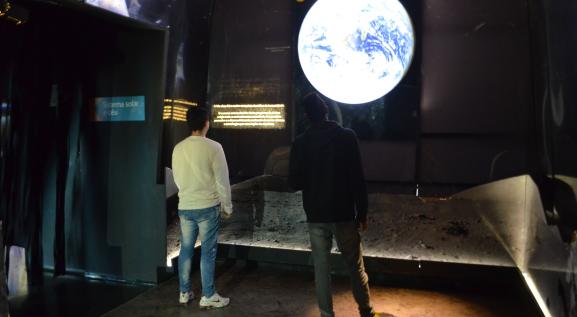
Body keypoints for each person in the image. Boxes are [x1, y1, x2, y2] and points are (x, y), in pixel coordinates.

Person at [289, 93, 378, 317]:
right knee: (355, 267)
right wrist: (363, 211)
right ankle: (366, 312)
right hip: (344, 213)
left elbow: (293, 183)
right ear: (326, 110)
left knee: (321, 269)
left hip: (316, 215)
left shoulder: (300, 143)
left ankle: (326, 315)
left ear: (307, 116)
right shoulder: (347, 137)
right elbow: (357, 177)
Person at [172, 107, 232, 309]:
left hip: (186, 206)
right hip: (207, 206)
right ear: (207, 122)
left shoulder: (178, 148)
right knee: (208, 252)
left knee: (186, 251)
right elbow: (222, 181)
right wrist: (228, 206)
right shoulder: (215, 147)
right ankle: (208, 294)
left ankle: (184, 292)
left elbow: (178, 179)